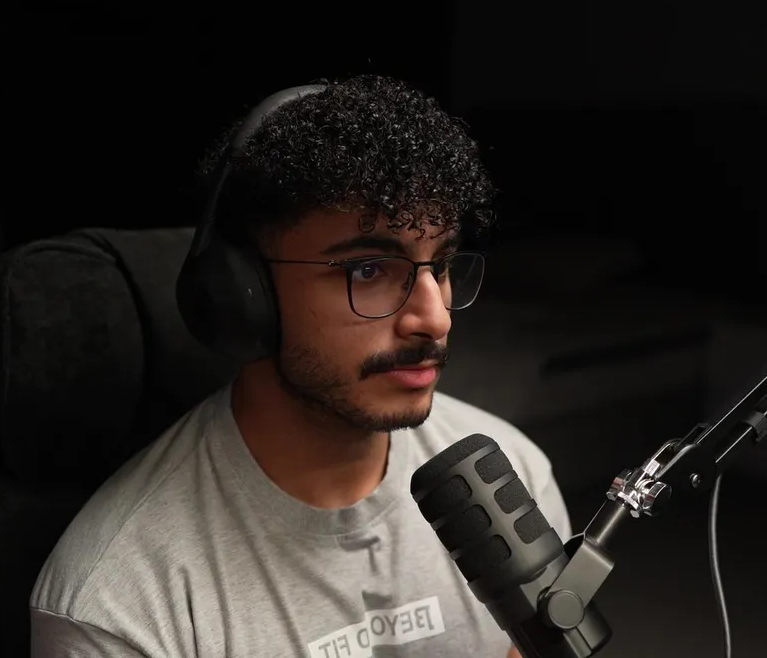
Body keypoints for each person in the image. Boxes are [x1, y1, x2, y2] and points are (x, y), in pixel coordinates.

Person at [29, 75, 572, 657]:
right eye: (368, 270)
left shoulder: (512, 484)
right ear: (245, 298)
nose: (434, 319)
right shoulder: (118, 602)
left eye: (439, 266)